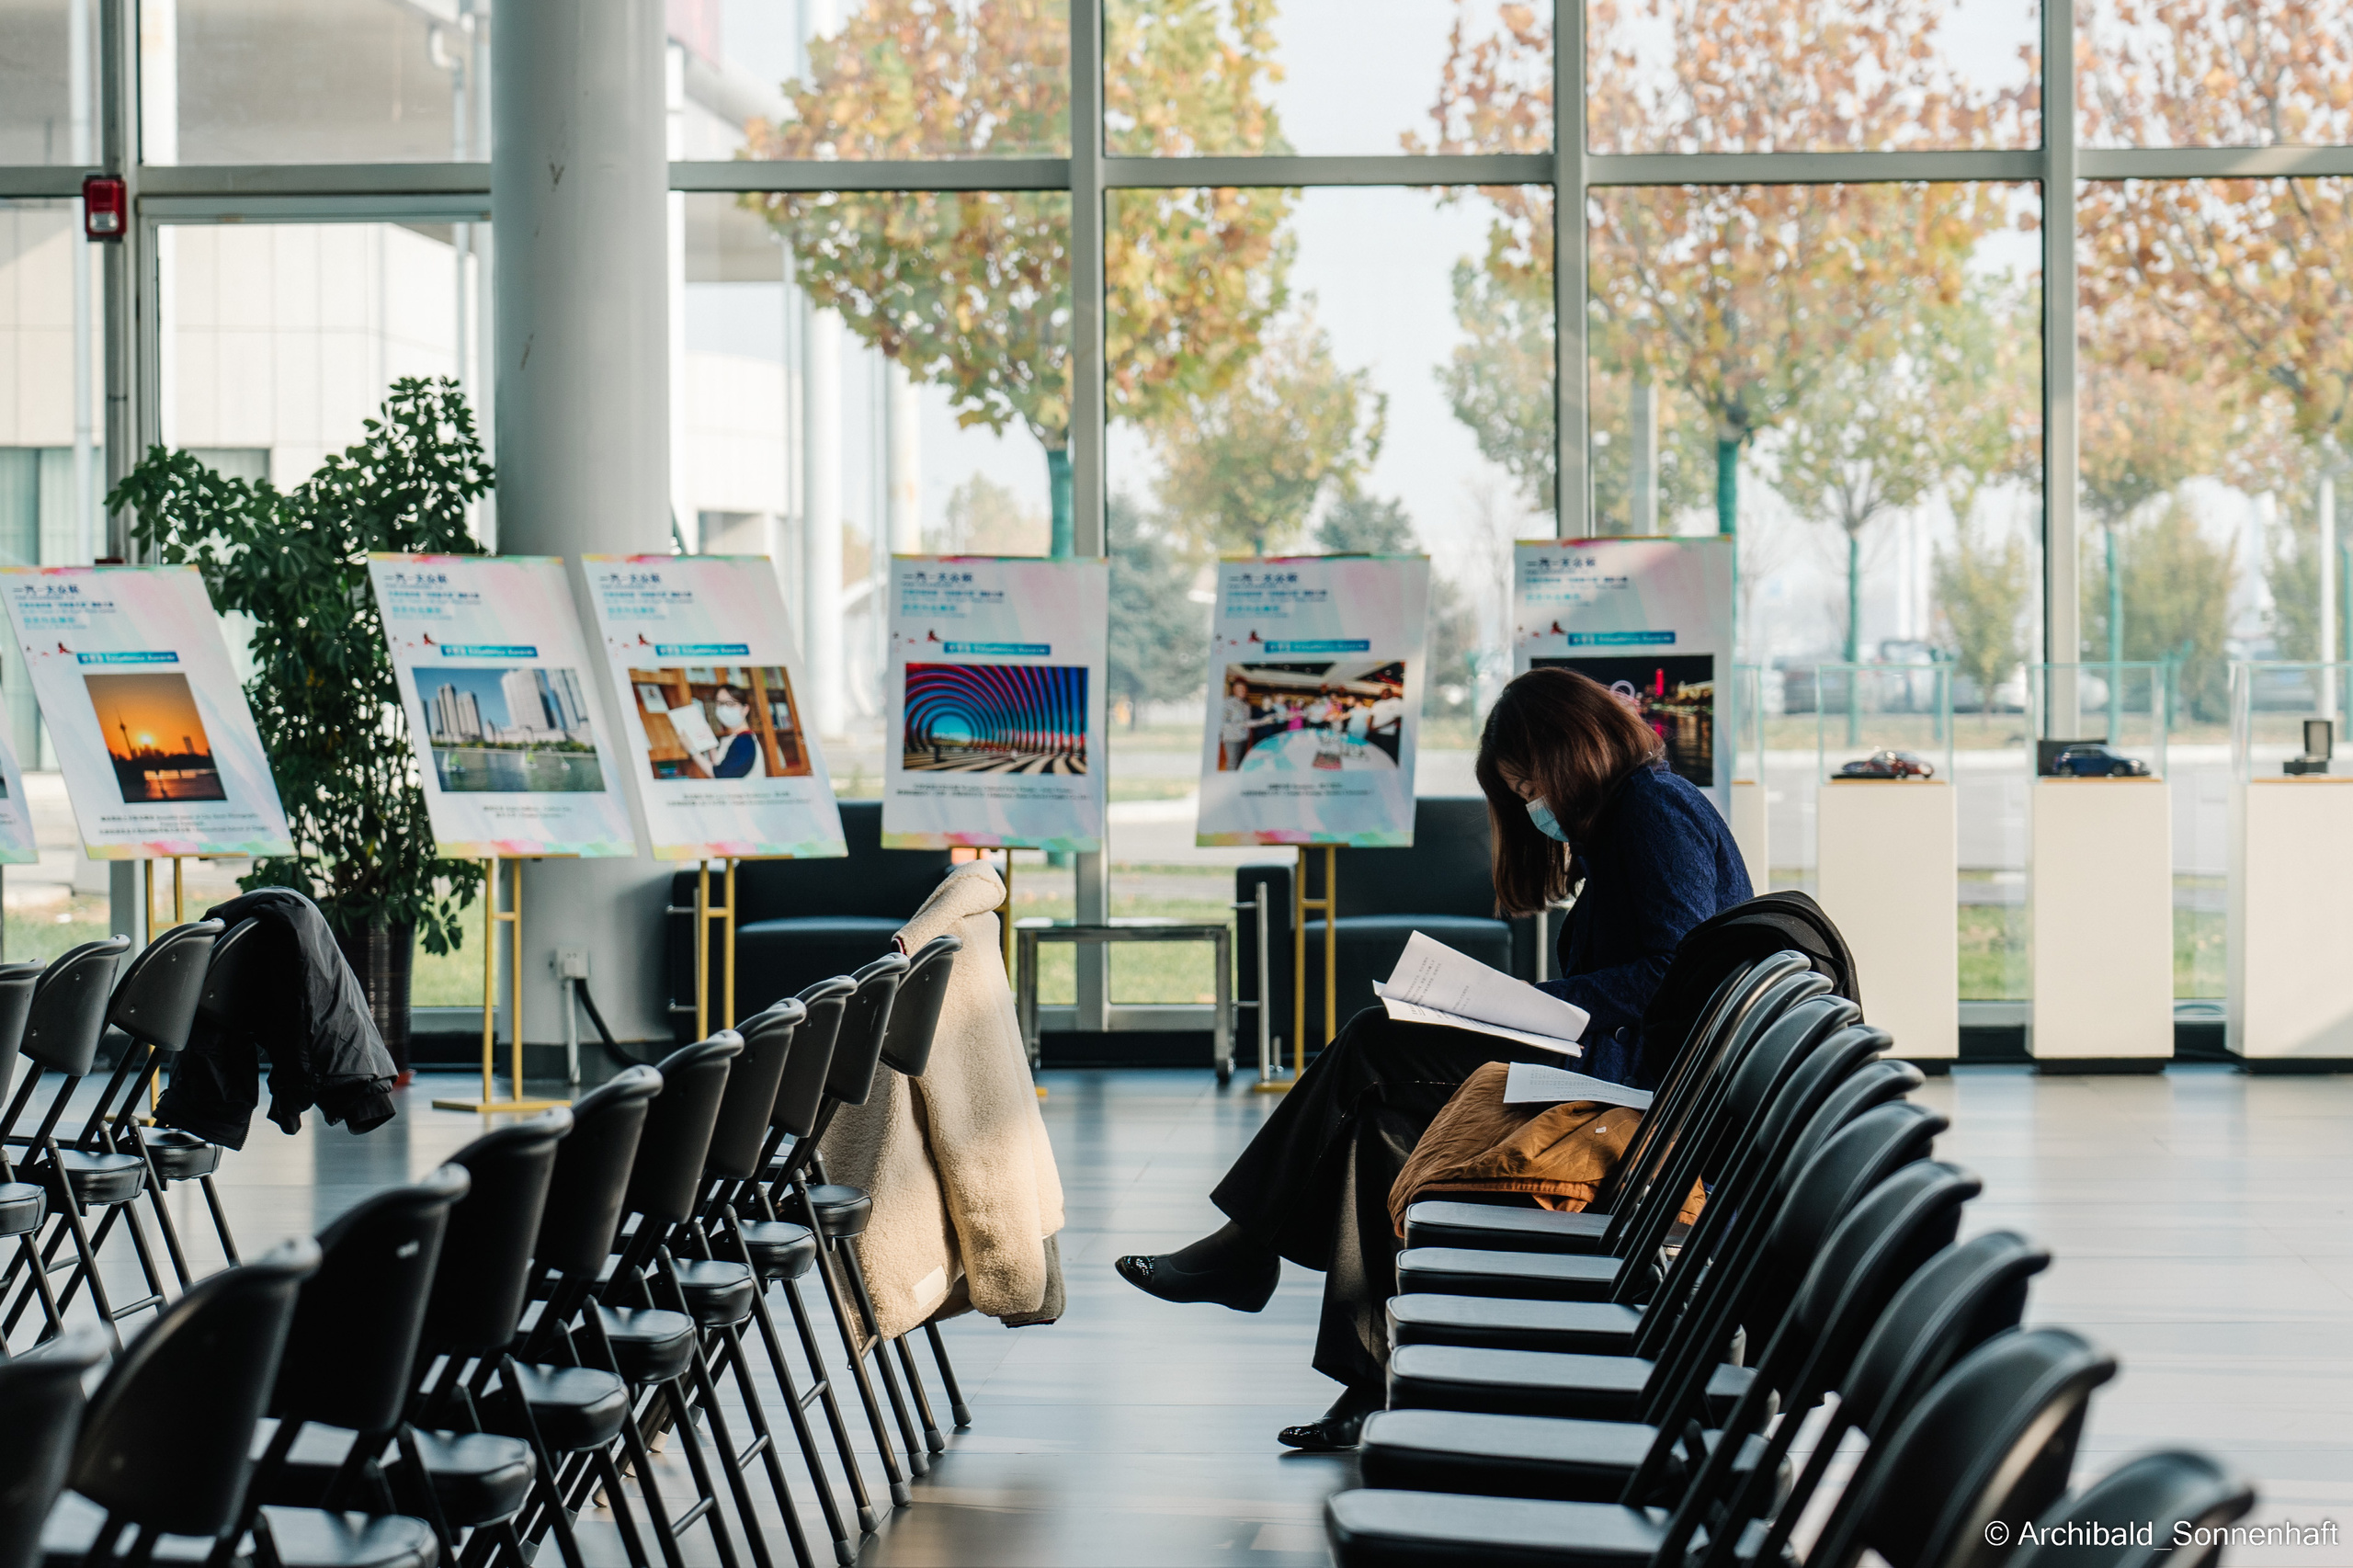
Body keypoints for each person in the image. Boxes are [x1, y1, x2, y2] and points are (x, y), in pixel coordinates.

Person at [1113, 666, 1753, 1449]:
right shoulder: (1624, 825)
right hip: (1617, 1073)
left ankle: (1249, 1248)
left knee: (1373, 1042)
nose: (1531, 808)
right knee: (1376, 1117)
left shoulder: (1653, 809)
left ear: (1572, 753)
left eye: (1531, 788)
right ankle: (1369, 1381)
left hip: (1648, 1097)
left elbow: (1674, 970)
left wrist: (1541, 1005)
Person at [695, 686, 765, 778]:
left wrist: (693, 751)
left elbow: (721, 775)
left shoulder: (744, 742)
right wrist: (710, 742)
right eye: (719, 703)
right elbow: (720, 764)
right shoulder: (736, 738)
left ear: (745, 709)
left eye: (730, 703)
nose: (723, 709)